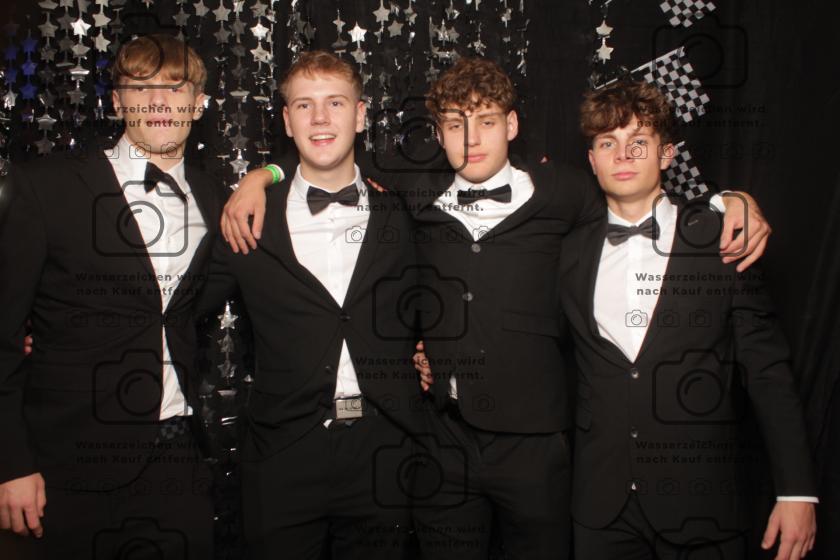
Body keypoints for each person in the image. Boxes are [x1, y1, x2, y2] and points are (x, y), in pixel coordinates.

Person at [222, 57, 770, 559]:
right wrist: (261, 176)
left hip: (538, 447)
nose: (471, 139)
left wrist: (726, 201)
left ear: (511, 125)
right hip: (443, 442)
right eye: (455, 125)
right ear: (438, 135)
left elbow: (638, 200)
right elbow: (327, 159)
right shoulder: (414, 192)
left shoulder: (564, 193)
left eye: (485, 121)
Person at [558, 79, 817, 560]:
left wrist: (796, 490)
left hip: (702, 503)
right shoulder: (568, 250)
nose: (623, 155)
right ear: (592, 160)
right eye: (608, 143)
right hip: (600, 508)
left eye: (639, 141)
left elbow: (767, 370)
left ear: (667, 154)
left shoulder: (723, 236)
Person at [193, 50, 424, 560]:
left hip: (384, 450)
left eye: (335, 103)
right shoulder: (246, 218)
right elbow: (182, 311)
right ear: (287, 120)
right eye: (304, 105)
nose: (320, 118)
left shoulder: (404, 209)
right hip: (283, 454)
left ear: (360, 115)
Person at [0, 34, 224, 559]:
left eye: (175, 87)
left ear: (198, 104)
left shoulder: (215, 198)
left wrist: (268, 174)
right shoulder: (47, 187)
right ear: (118, 102)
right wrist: (10, 463)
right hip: (67, 464)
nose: (159, 102)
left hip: (177, 460)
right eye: (141, 88)